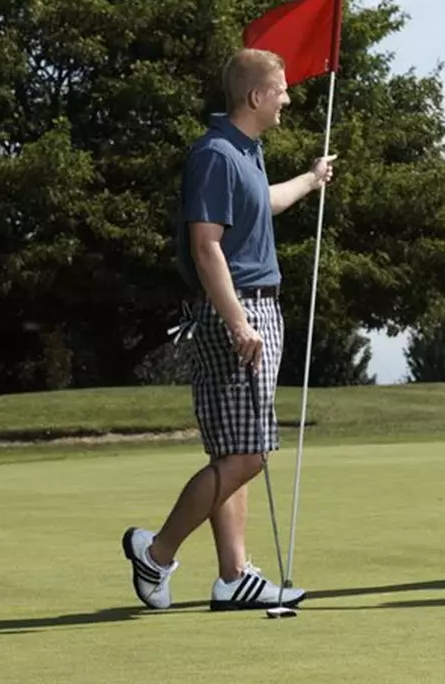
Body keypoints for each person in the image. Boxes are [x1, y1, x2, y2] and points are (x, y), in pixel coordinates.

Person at [123, 48, 334, 611]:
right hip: (236, 310)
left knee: (232, 450)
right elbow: (205, 243)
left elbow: (262, 204)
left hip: (254, 306)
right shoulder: (215, 154)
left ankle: (232, 574)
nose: (288, 97)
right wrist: (239, 320)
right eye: (282, 89)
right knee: (250, 454)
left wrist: (311, 180)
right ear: (256, 96)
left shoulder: (246, 152)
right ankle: (158, 553)